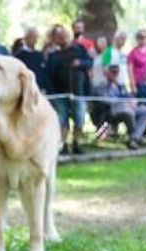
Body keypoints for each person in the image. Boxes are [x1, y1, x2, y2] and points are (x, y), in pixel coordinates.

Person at [47, 27, 92, 155]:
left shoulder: (79, 49)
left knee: (79, 119)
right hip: (60, 94)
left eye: (64, 35)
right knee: (62, 121)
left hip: (78, 92)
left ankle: (77, 143)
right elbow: (49, 75)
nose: (62, 38)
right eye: (58, 36)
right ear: (55, 39)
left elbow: (89, 62)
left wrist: (80, 63)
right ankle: (64, 145)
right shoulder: (53, 56)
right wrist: (52, 93)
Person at [93, 64, 146, 149]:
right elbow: (104, 101)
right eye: (113, 72)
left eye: (117, 72)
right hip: (111, 111)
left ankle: (134, 138)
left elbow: (128, 96)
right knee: (128, 112)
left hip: (126, 108)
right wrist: (122, 102)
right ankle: (135, 138)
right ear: (107, 73)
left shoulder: (121, 86)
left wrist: (132, 100)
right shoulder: (101, 86)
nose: (115, 75)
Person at [14, 27, 48, 92]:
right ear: (26, 38)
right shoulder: (19, 56)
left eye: (36, 37)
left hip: (40, 91)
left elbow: (43, 73)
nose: (35, 40)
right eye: (32, 37)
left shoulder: (40, 55)